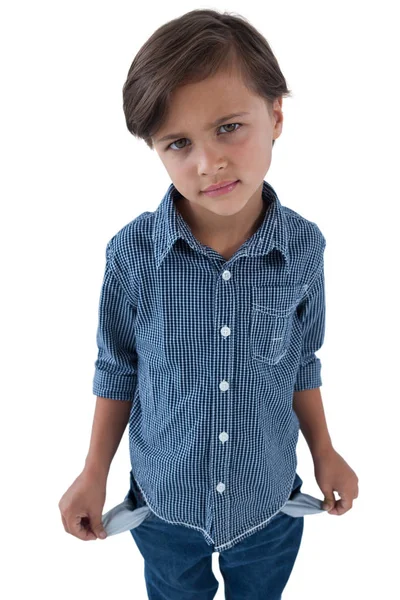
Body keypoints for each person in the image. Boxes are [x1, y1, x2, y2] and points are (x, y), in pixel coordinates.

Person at [58, 8, 359, 599]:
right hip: (167, 508)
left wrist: (325, 450)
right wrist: (95, 471)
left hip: (268, 505)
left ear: (275, 115)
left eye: (228, 127)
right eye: (178, 142)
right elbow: (117, 368)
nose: (208, 162)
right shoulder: (131, 256)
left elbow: (301, 360)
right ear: (155, 149)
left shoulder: (303, 248)